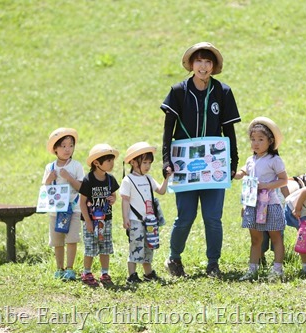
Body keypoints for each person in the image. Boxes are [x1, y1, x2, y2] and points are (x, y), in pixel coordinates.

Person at [160, 42, 241, 277]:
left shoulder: (223, 92)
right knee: (185, 215)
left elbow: (229, 130)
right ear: (191, 64)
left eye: (208, 62)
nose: (203, 66)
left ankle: (213, 263)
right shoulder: (177, 91)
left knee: (213, 217)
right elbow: (168, 130)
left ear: (214, 66)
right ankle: (174, 258)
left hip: (214, 165)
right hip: (184, 164)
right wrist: (166, 161)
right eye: (199, 61)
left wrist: (233, 161)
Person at [234, 117, 288, 281]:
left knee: (275, 237)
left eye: (260, 139)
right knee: (255, 238)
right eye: (253, 139)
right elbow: (239, 175)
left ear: (270, 141)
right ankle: (252, 270)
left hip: (270, 204)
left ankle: (277, 269)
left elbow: (283, 180)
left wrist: (265, 185)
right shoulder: (250, 160)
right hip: (252, 205)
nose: (255, 143)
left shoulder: (274, 160)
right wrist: (225, 171)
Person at [120, 142, 172, 284]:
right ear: (133, 162)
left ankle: (148, 273)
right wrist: (125, 218)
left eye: (149, 162)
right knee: (136, 247)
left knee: (149, 246)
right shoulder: (128, 180)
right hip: (135, 220)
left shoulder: (148, 179)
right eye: (144, 162)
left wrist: (167, 178)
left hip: (150, 220)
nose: (147, 166)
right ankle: (132, 275)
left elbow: (160, 191)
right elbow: (125, 201)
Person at [42, 128, 84, 281]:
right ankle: (59, 268)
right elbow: (45, 189)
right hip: (55, 210)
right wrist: (49, 179)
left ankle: (70, 268)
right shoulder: (50, 167)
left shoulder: (76, 166)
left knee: (72, 238)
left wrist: (69, 178)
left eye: (71, 145)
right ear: (55, 149)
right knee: (57, 240)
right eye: (63, 146)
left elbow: (81, 187)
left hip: (73, 209)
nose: (67, 149)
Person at [78, 144, 120, 287]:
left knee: (105, 247)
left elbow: (113, 195)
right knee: (90, 247)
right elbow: (82, 202)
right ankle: (87, 272)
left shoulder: (110, 179)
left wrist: (113, 199)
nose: (112, 164)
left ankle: (104, 272)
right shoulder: (88, 180)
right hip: (91, 221)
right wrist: (88, 221)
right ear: (96, 163)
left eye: (112, 160)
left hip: (106, 220)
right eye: (108, 161)